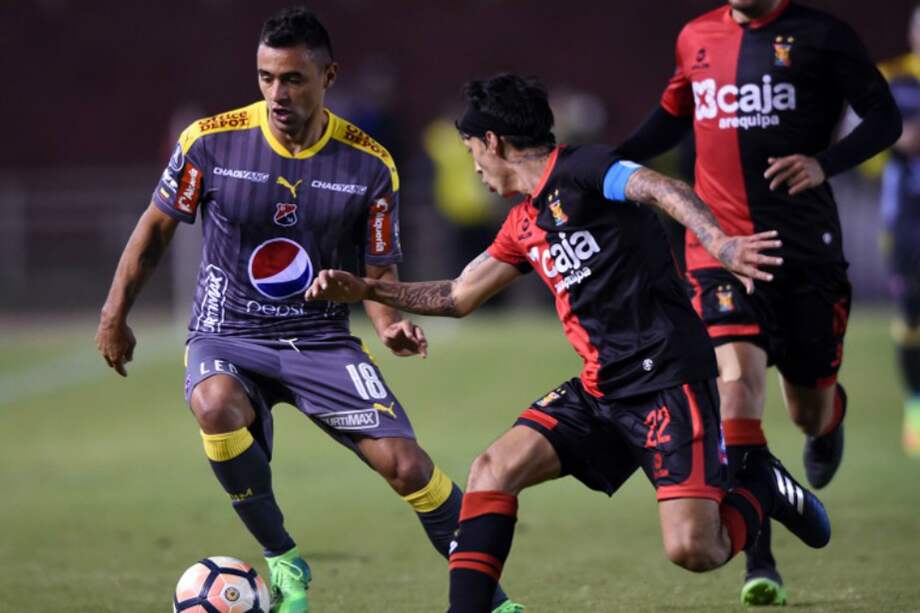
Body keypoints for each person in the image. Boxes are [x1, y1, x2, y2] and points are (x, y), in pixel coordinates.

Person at [305, 73, 831, 613]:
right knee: (493, 470)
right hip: (599, 389)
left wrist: (717, 242)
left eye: (471, 152)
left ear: (493, 141)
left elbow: (661, 188)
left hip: (666, 380)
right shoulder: (523, 221)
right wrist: (369, 288)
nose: (476, 169)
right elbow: (459, 294)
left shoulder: (585, 169)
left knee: (695, 549)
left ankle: (760, 489)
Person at [94, 8, 520, 613]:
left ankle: (493, 602)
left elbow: (376, 275)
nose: (277, 94)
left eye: (293, 79)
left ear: (328, 77)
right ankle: (284, 558)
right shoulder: (210, 142)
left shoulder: (369, 163)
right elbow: (156, 226)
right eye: (266, 77)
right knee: (215, 405)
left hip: (320, 339)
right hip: (228, 331)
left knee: (407, 466)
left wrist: (390, 322)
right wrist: (115, 314)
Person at [615, 0, 902, 604]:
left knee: (807, 410)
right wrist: (598, 168)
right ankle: (759, 555)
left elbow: (884, 119)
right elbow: (670, 120)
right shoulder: (695, 36)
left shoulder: (823, 36)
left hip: (803, 254)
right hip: (718, 248)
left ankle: (831, 419)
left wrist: (827, 164)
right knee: (735, 386)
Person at [876, 4, 920, 457]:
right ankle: (916, 405)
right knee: (911, 316)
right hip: (909, 220)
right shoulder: (895, 79)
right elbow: (897, 135)